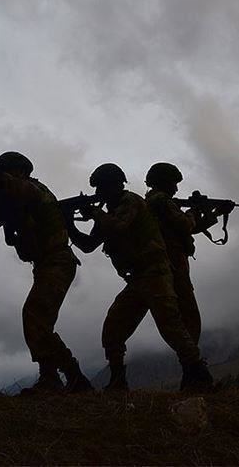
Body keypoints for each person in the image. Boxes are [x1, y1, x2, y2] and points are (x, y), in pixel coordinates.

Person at [66, 163, 213, 392]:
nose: (99, 194)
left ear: (116, 185)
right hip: (137, 278)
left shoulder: (131, 201)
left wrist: (94, 212)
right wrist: (68, 224)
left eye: (102, 188)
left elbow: (119, 227)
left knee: (171, 327)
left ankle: (199, 375)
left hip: (155, 273)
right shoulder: (110, 212)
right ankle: (118, 380)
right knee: (113, 329)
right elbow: (88, 245)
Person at [0, 151, 93, 394]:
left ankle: (56, 377)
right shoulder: (9, 196)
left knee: (34, 316)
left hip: (57, 261)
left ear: (20, 171)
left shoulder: (36, 190)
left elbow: (22, 190)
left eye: (8, 171)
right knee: (38, 320)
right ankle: (70, 378)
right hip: (44, 264)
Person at [143, 162, 216, 346]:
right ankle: (192, 357)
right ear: (163, 181)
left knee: (181, 312)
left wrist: (212, 214)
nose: (176, 189)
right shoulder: (161, 201)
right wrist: (193, 212)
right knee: (188, 311)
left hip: (167, 263)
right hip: (172, 262)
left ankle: (191, 354)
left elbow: (185, 229)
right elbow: (185, 225)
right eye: (173, 183)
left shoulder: (153, 202)